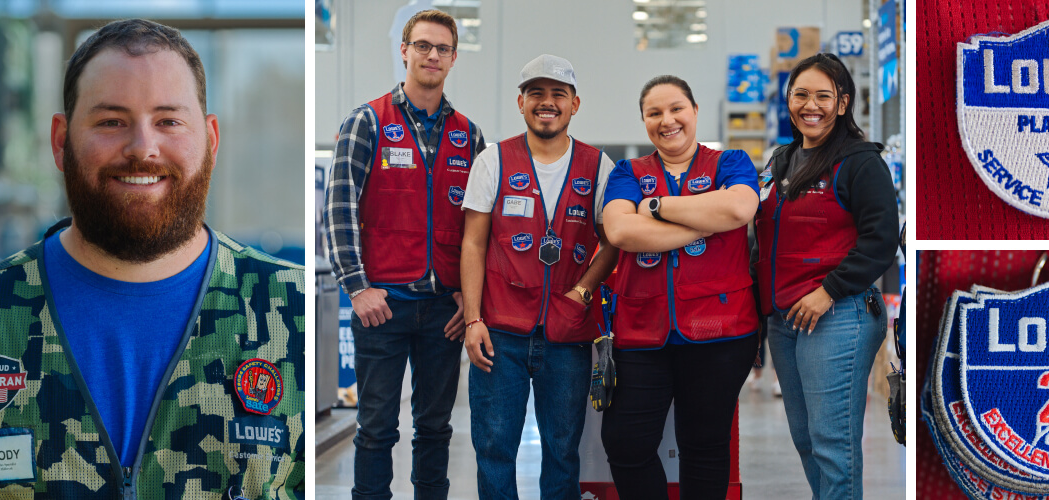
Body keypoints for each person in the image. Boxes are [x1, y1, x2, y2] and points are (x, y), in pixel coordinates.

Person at [0, 19, 303, 499]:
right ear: (61, 141)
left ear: (211, 140)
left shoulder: (294, 310)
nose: (143, 148)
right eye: (111, 121)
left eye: (168, 121)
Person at [324, 9, 483, 500]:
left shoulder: (470, 136)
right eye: (423, 46)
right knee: (375, 430)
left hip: (443, 311)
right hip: (383, 308)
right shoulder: (367, 121)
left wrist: (468, 298)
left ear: (454, 58)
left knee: (435, 430)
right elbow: (338, 207)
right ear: (405, 51)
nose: (431, 55)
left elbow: (479, 228)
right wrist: (357, 286)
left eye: (442, 49)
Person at [458, 54, 618, 500]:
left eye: (557, 95)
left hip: (568, 337)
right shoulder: (493, 161)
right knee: (493, 449)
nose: (547, 103)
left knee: (562, 451)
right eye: (536, 94)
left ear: (575, 104)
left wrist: (582, 292)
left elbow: (613, 242)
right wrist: (473, 319)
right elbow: (472, 243)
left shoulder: (598, 166)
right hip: (499, 336)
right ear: (521, 102)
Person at [598, 75, 760, 499]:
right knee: (625, 444)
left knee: (704, 446)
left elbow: (739, 206)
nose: (667, 120)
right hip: (640, 332)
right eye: (654, 113)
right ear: (644, 121)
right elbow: (620, 231)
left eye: (676, 109)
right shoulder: (627, 171)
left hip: (721, 332)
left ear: (695, 112)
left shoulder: (731, 162)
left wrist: (654, 209)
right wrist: (705, 225)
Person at [754, 53, 899, 499]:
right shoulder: (783, 161)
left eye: (822, 95)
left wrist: (829, 292)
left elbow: (881, 239)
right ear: (788, 100)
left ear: (842, 103)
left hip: (837, 316)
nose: (809, 105)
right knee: (807, 440)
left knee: (833, 445)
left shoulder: (859, 162)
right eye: (801, 94)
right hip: (785, 319)